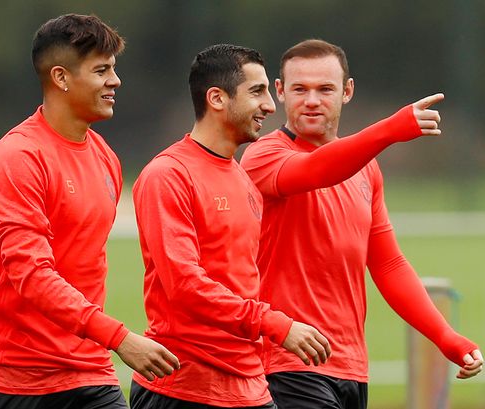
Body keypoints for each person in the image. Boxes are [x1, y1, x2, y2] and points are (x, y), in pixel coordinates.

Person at [240, 38, 484, 409]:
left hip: (351, 369)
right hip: (287, 363)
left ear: (347, 91)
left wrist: (446, 337)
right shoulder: (263, 155)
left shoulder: (366, 170)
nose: (311, 100)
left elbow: (388, 265)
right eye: (299, 89)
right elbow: (317, 169)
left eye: (325, 89)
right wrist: (388, 130)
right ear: (279, 91)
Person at [0, 14, 179, 409]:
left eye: (114, 69)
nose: (115, 81)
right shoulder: (18, 158)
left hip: (89, 372)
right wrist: (119, 338)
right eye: (101, 70)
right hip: (13, 382)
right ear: (60, 77)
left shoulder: (106, 159)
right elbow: (33, 274)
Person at [129, 44, 333, 409]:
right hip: (183, 388)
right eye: (257, 92)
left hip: (249, 387)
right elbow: (185, 285)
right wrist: (275, 324)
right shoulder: (168, 175)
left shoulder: (244, 181)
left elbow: (242, 282)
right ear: (217, 98)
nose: (270, 106)